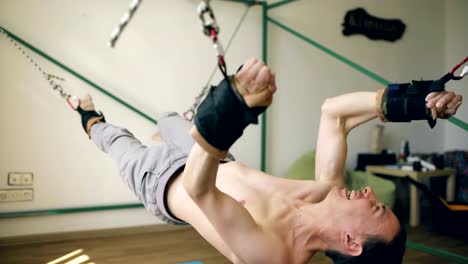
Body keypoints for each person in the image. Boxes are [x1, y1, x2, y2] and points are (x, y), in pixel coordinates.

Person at [77, 58, 463, 264]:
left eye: (376, 208)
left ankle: (87, 117)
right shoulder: (328, 191)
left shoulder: (275, 256)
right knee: (167, 119)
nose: (366, 193)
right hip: (216, 154)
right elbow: (335, 114)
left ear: (351, 242)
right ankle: (165, 132)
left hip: (165, 182)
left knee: (115, 141)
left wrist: (224, 118)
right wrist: (415, 102)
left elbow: (200, 191)